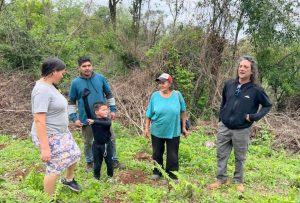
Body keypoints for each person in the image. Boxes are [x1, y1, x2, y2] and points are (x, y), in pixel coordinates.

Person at [208, 56, 272, 192]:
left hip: (242, 129)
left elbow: (267, 105)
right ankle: (221, 178)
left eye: (245, 67)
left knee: (240, 156)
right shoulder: (229, 84)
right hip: (225, 126)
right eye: (240, 66)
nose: (242, 69)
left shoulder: (256, 90)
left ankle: (238, 181)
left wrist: (254, 117)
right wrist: (221, 117)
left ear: (252, 71)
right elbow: (224, 102)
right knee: (221, 154)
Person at [31, 57, 81, 197]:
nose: (63, 75)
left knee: (75, 154)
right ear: (54, 72)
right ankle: (49, 199)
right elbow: (39, 120)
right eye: (62, 72)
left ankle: (68, 180)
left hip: (61, 132)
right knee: (54, 167)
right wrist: (45, 147)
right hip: (50, 135)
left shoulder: (50, 86)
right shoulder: (42, 90)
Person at [68, 56, 123, 171]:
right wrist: (74, 118)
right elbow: (72, 101)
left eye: (89, 65)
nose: (87, 68)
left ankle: (113, 159)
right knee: (88, 142)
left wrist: (112, 109)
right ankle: (90, 162)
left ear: (92, 66)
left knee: (111, 138)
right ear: (79, 68)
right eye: (84, 66)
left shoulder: (100, 78)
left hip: (103, 117)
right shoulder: (75, 83)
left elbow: (109, 94)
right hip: (86, 118)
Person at [144, 73, 188, 182]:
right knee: (157, 153)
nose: (161, 85)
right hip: (157, 130)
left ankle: (172, 175)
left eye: (163, 83)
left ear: (169, 83)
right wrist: (146, 128)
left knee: (173, 154)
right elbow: (149, 113)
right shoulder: (155, 96)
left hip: (173, 130)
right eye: (159, 83)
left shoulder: (177, 95)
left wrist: (184, 127)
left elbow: (183, 111)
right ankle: (157, 172)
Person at [87, 102, 114, 182]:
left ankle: (110, 177)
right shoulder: (93, 119)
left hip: (107, 145)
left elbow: (108, 123)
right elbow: (87, 110)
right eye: (103, 110)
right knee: (97, 163)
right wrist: (85, 99)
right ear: (96, 112)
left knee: (109, 162)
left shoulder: (107, 120)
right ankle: (96, 178)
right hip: (96, 145)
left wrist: (94, 122)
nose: (106, 111)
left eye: (107, 110)